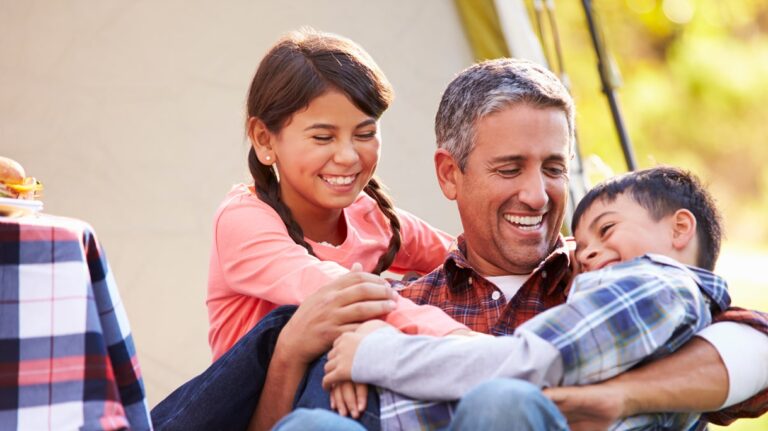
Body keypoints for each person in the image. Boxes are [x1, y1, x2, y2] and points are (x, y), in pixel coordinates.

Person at [280, 58, 768, 430]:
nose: (537, 195)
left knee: (503, 403)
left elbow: (756, 341)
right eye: (509, 168)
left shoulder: (609, 277)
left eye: (554, 169)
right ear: (450, 174)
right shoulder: (401, 306)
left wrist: (623, 395)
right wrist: (290, 352)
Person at [151, 28, 469, 431]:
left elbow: (470, 259)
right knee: (327, 325)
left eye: (366, 133)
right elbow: (341, 293)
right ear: (265, 140)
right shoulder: (244, 220)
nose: (348, 156)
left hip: (343, 408)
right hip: (249, 415)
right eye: (323, 137)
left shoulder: (373, 217)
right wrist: (465, 345)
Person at [323, 166, 735, 430]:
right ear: (450, 172)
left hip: (404, 413)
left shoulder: (654, 285)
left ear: (680, 229)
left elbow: (529, 362)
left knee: (501, 401)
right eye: (583, 242)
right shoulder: (672, 308)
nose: (585, 253)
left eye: (606, 230)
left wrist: (374, 354)